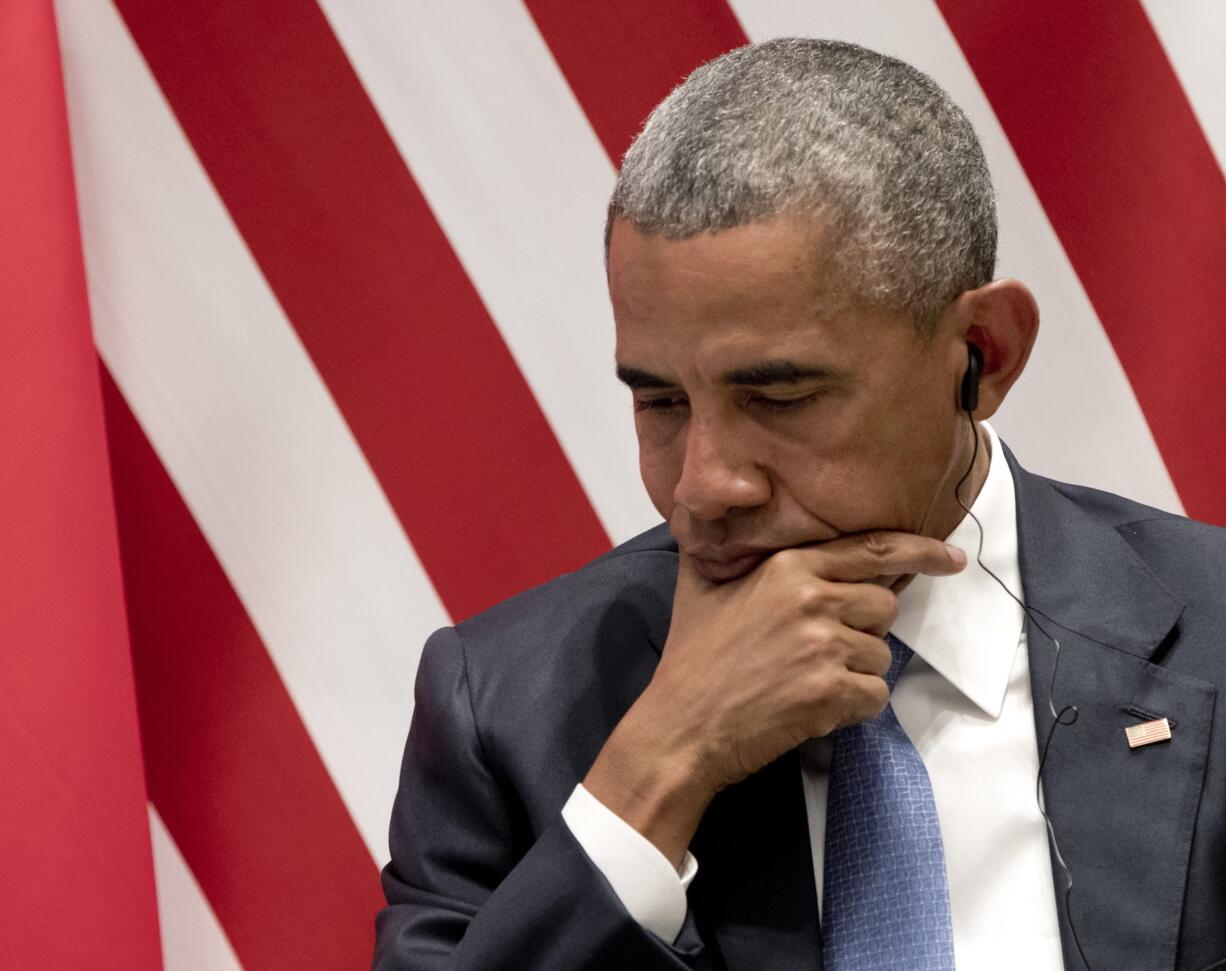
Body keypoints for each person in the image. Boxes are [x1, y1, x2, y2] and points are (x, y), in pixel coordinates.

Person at [373, 39, 1226, 970]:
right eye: (660, 401)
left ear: (983, 353)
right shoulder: (503, 706)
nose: (703, 486)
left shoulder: (1212, 629)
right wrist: (658, 772)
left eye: (779, 399)